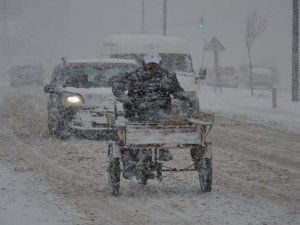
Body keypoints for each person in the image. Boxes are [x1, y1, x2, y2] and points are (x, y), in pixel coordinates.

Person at [112, 52, 198, 161]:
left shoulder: (167, 76)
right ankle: (132, 159)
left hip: (160, 109)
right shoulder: (132, 75)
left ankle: (163, 149)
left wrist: (186, 97)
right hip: (136, 110)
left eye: (155, 65)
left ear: (159, 64)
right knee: (133, 135)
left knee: (163, 122)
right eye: (149, 64)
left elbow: (176, 90)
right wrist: (125, 98)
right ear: (144, 63)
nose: (152, 67)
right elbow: (117, 87)